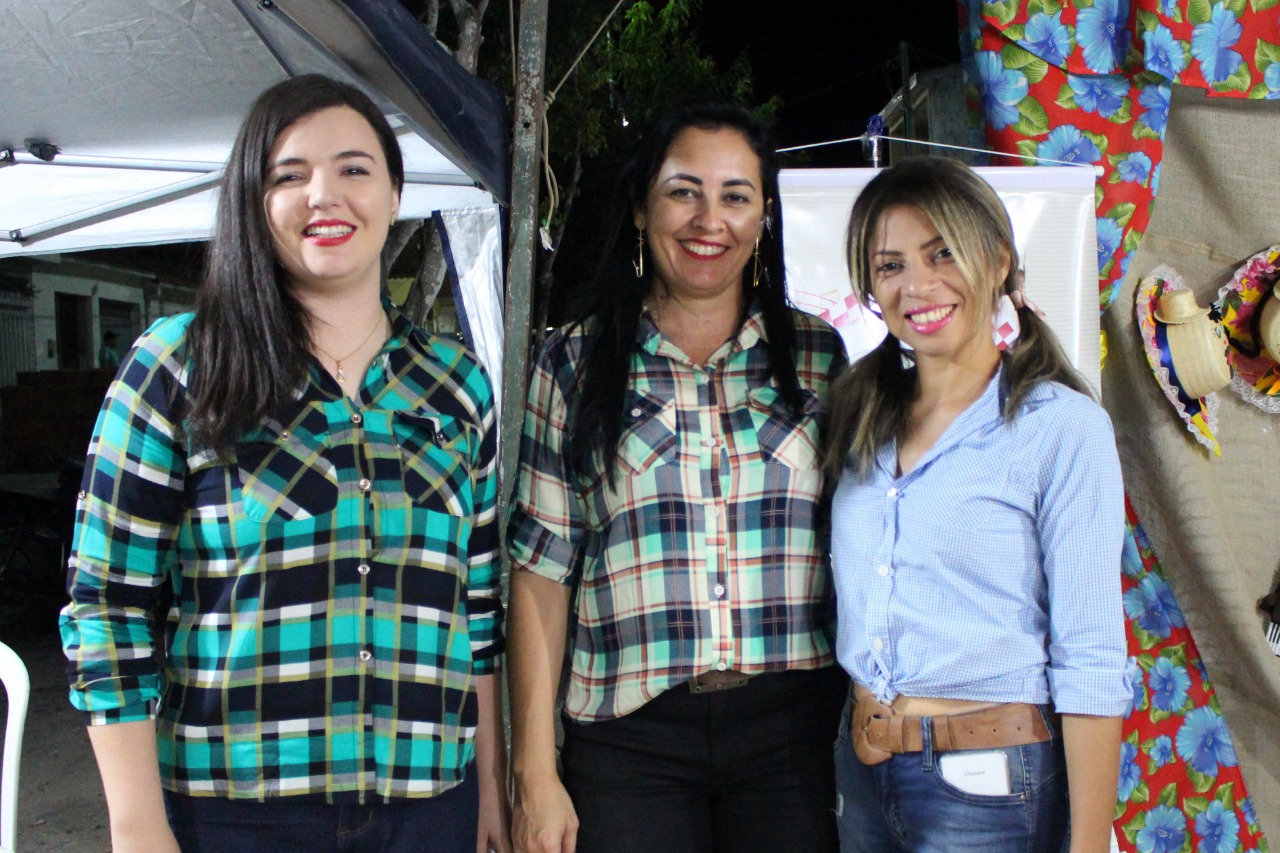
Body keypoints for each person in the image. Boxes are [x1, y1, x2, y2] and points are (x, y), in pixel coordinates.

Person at [60, 75, 509, 853]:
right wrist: (137, 825)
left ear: (395, 194)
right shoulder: (179, 364)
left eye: (354, 168)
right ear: (253, 201)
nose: (324, 195)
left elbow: (477, 610)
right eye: (289, 175)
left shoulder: (456, 384)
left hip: (430, 809)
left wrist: (491, 790)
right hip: (236, 813)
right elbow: (108, 604)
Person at [506, 101, 848, 853]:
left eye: (736, 196)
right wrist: (533, 770)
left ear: (764, 217)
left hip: (794, 734)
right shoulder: (573, 361)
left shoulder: (819, 357)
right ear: (641, 207)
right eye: (683, 191)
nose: (708, 220)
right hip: (629, 742)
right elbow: (541, 573)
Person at [824, 157, 1127, 853]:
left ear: (997, 259)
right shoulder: (860, 416)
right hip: (860, 771)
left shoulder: (1061, 427)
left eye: (942, 253)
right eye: (890, 265)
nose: (916, 285)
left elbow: (1090, 657)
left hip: (990, 782)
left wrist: (1088, 844)